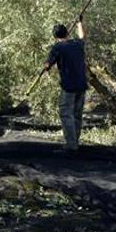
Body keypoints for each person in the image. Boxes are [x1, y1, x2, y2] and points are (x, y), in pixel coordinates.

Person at [42, 17, 88, 152]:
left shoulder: (57, 48)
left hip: (68, 87)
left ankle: (71, 145)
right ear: (67, 33)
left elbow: (47, 64)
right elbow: (82, 37)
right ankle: (75, 141)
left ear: (55, 36)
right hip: (82, 84)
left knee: (66, 114)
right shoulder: (77, 44)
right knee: (77, 114)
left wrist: (45, 67)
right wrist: (80, 23)